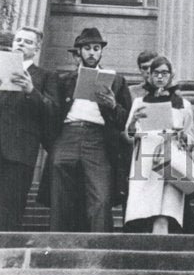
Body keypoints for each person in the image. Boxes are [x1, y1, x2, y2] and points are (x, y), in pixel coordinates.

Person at [49, 27, 132, 232]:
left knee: (101, 197)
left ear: (101, 51)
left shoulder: (116, 81)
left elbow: (127, 121)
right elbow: (51, 114)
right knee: (60, 193)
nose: (92, 52)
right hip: (68, 134)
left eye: (96, 48)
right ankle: (58, 246)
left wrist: (113, 105)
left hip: (98, 140)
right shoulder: (64, 80)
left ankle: (100, 247)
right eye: (87, 48)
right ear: (80, 51)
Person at [0, 26, 60, 231]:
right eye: (18, 40)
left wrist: (31, 91)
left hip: (19, 151)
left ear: (37, 48)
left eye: (27, 42)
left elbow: (53, 111)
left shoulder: (46, 76)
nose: (20, 44)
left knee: (9, 209)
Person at [123, 55, 194, 234]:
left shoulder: (183, 105)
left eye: (164, 73)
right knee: (145, 209)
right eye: (156, 73)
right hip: (146, 160)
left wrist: (183, 136)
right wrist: (133, 122)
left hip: (171, 160)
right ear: (150, 76)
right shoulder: (140, 102)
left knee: (165, 212)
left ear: (171, 76)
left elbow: (191, 136)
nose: (160, 77)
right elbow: (129, 134)